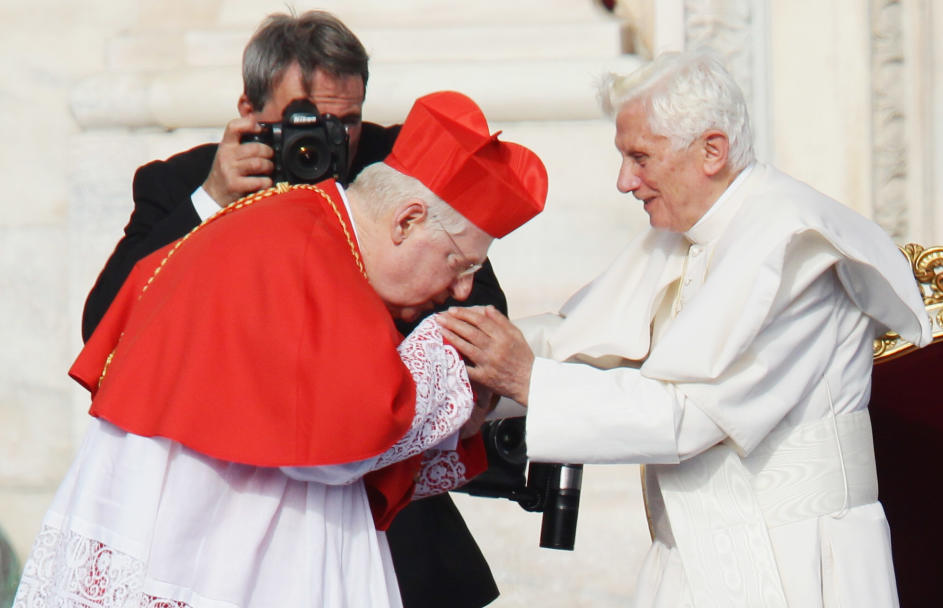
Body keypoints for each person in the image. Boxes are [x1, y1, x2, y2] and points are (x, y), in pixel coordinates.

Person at [14, 90, 548, 607]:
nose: (459, 291)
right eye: (460, 264)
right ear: (406, 222)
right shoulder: (309, 253)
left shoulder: (303, 227)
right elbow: (348, 435)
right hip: (214, 547)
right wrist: (460, 369)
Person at [439, 52, 931, 607]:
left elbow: (690, 417)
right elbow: (579, 341)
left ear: (712, 152)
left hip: (799, 561)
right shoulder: (684, 234)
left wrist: (528, 381)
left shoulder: (796, 247)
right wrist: (462, 367)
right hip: (693, 552)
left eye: (640, 157)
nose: (625, 181)